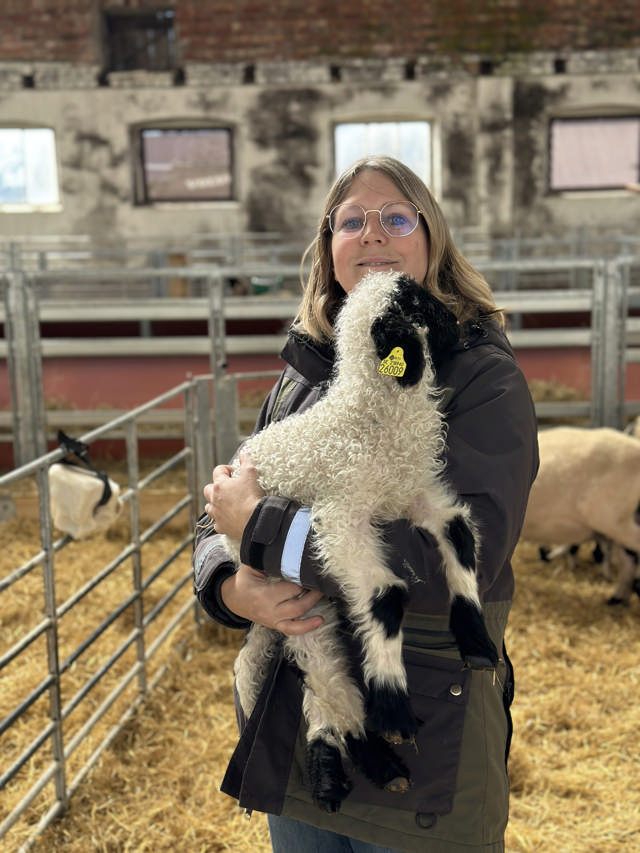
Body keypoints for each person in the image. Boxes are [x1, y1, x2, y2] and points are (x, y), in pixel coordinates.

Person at [193, 155, 539, 853]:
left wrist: (263, 531)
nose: (373, 233)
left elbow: (453, 562)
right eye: (351, 221)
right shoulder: (305, 371)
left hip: (423, 734)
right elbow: (220, 512)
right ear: (329, 246)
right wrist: (232, 586)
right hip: (297, 723)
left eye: (397, 218)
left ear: (431, 237)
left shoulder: (479, 377)